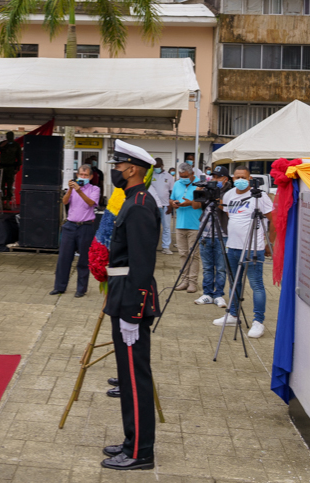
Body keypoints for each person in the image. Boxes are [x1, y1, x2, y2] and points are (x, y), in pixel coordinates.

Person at [100, 139, 159, 471]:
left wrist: (133, 314)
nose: (116, 171)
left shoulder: (138, 205)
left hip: (131, 301)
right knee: (127, 375)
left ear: (133, 169)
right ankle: (131, 440)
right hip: (123, 295)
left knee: (135, 379)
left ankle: (140, 452)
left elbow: (141, 263)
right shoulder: (132, 201)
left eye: (119, 166)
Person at [214, 167, 274, 339]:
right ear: (233, 178)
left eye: (243, 177)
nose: (240, 179)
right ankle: (233, 314)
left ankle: (258, 321)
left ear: (250, 178)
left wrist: (270, 242)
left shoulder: (259, 196)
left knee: (256, 285)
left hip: (253, 247)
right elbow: (230, 215)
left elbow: (273, 218)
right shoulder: (229, 195)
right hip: (232, 246)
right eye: (237, 177)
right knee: (233, 282)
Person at [50, 164, 100, 298]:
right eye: (81, 175)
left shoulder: (94, 189)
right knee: (64, 258)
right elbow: (65, 202)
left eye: (85, 175)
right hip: (70, 226)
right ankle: (59, 287)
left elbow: (91, 203)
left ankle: (81, 289)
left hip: (86, 226)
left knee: (84, 259)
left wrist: (79, 191)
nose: (83, 177)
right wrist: (70, 190)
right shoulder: (71, 189)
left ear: (90, 177)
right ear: (77, 175)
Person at [195, 166, 231, 308]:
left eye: (218, 177)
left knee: (221, 268)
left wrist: (216, 197)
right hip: (205, 233)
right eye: (213, 176)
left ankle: (219, 294)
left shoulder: (230, 192)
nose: (214, 180)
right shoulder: (207, 189)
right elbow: (195, 205)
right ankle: (207, 293)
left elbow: (228, 210)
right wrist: (200, 189)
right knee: (207, 267)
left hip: (222, 234)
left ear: (225, 179)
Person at [169, 162, 202, 293]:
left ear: (192, 174)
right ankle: (184, 280)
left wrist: (190, 203)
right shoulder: (177, 184)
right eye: (181, 175)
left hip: (195, 224)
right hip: (180, 224)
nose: (183, 178)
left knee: (194, 255)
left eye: (185, 176)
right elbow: (171, 200)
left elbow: (199, 205)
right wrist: (174, 203)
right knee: (183, 254)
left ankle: (193, 282)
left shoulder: (200, 184)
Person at [147, 158, 174, 255]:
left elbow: (172, 192)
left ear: (162, 165)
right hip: (153, 206)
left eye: (157, 167)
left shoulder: (169, 176)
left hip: (166, 206)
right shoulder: (150, 176)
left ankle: (166, 247)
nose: (156, 169)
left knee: (166, 227)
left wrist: (171, 204)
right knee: (153, 227)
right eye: (154, 167)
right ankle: (151, 246)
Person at [0, 131, 22, 204]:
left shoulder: (16, 145)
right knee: (1, 185)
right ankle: (1, 201)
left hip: (11, 167)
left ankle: (8, 202)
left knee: (9, 186)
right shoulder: (3, 144)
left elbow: (19, 157)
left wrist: (17, 168)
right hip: (2, 167)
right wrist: (1, 146)